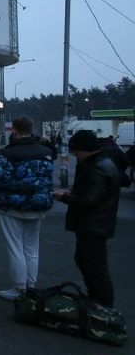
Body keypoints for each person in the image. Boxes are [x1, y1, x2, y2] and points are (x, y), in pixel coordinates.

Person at [51, 130, 120, 307]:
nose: (74, 154)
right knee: (88, 262)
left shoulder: (97, 168)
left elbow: (89, 200)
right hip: (97, 224)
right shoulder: (102, 164)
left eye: (75, 150)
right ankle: (99, 302)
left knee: (94, 267)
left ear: (85, 149)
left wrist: (65, 197)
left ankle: (102, 307)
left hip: (93, 225)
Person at [0, 116, 54, 301]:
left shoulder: (9, 154)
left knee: (15, 247)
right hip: (39, 204)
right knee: (32, 248)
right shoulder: (46, 152)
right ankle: (31, 285)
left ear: (14, 131)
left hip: (12, 205)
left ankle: (19, 288)